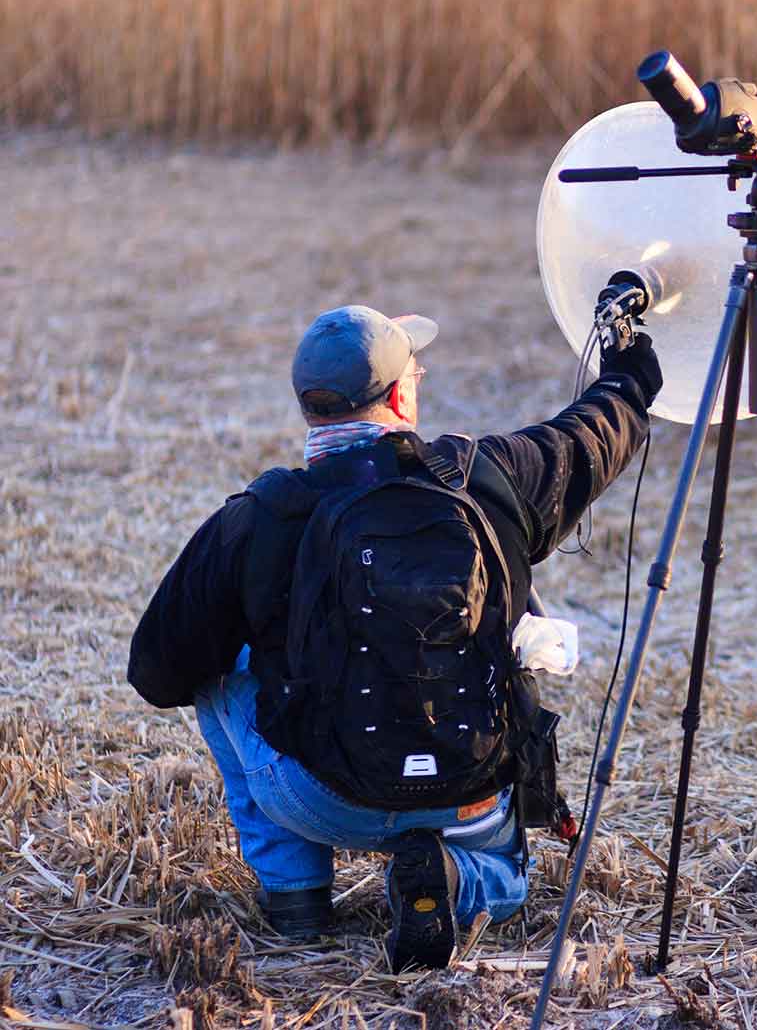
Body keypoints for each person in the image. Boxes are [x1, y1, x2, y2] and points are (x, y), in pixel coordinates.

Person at [127, 305, 660, 970]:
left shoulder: (260, 515)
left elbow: (157, 674)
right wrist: (630, 371)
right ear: (404, 393)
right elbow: (592, 436)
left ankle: (296, 896)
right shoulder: (487, 477)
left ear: (310, 408)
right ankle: (458, 879)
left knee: (217, 668)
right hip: (471, 798)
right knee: (510, 874)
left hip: (326, 801)